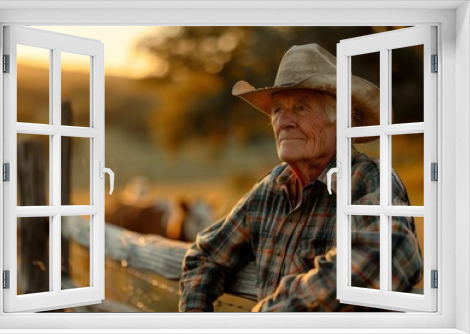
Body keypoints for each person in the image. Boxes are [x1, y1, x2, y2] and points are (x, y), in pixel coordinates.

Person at [179, 44, 422, 312]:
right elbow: (205, 256)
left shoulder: (365, 179)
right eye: (278, 110)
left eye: (302, 107)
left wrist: (270, 317)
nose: (284, 121)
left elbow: (385, 254)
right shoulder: (272, 189)